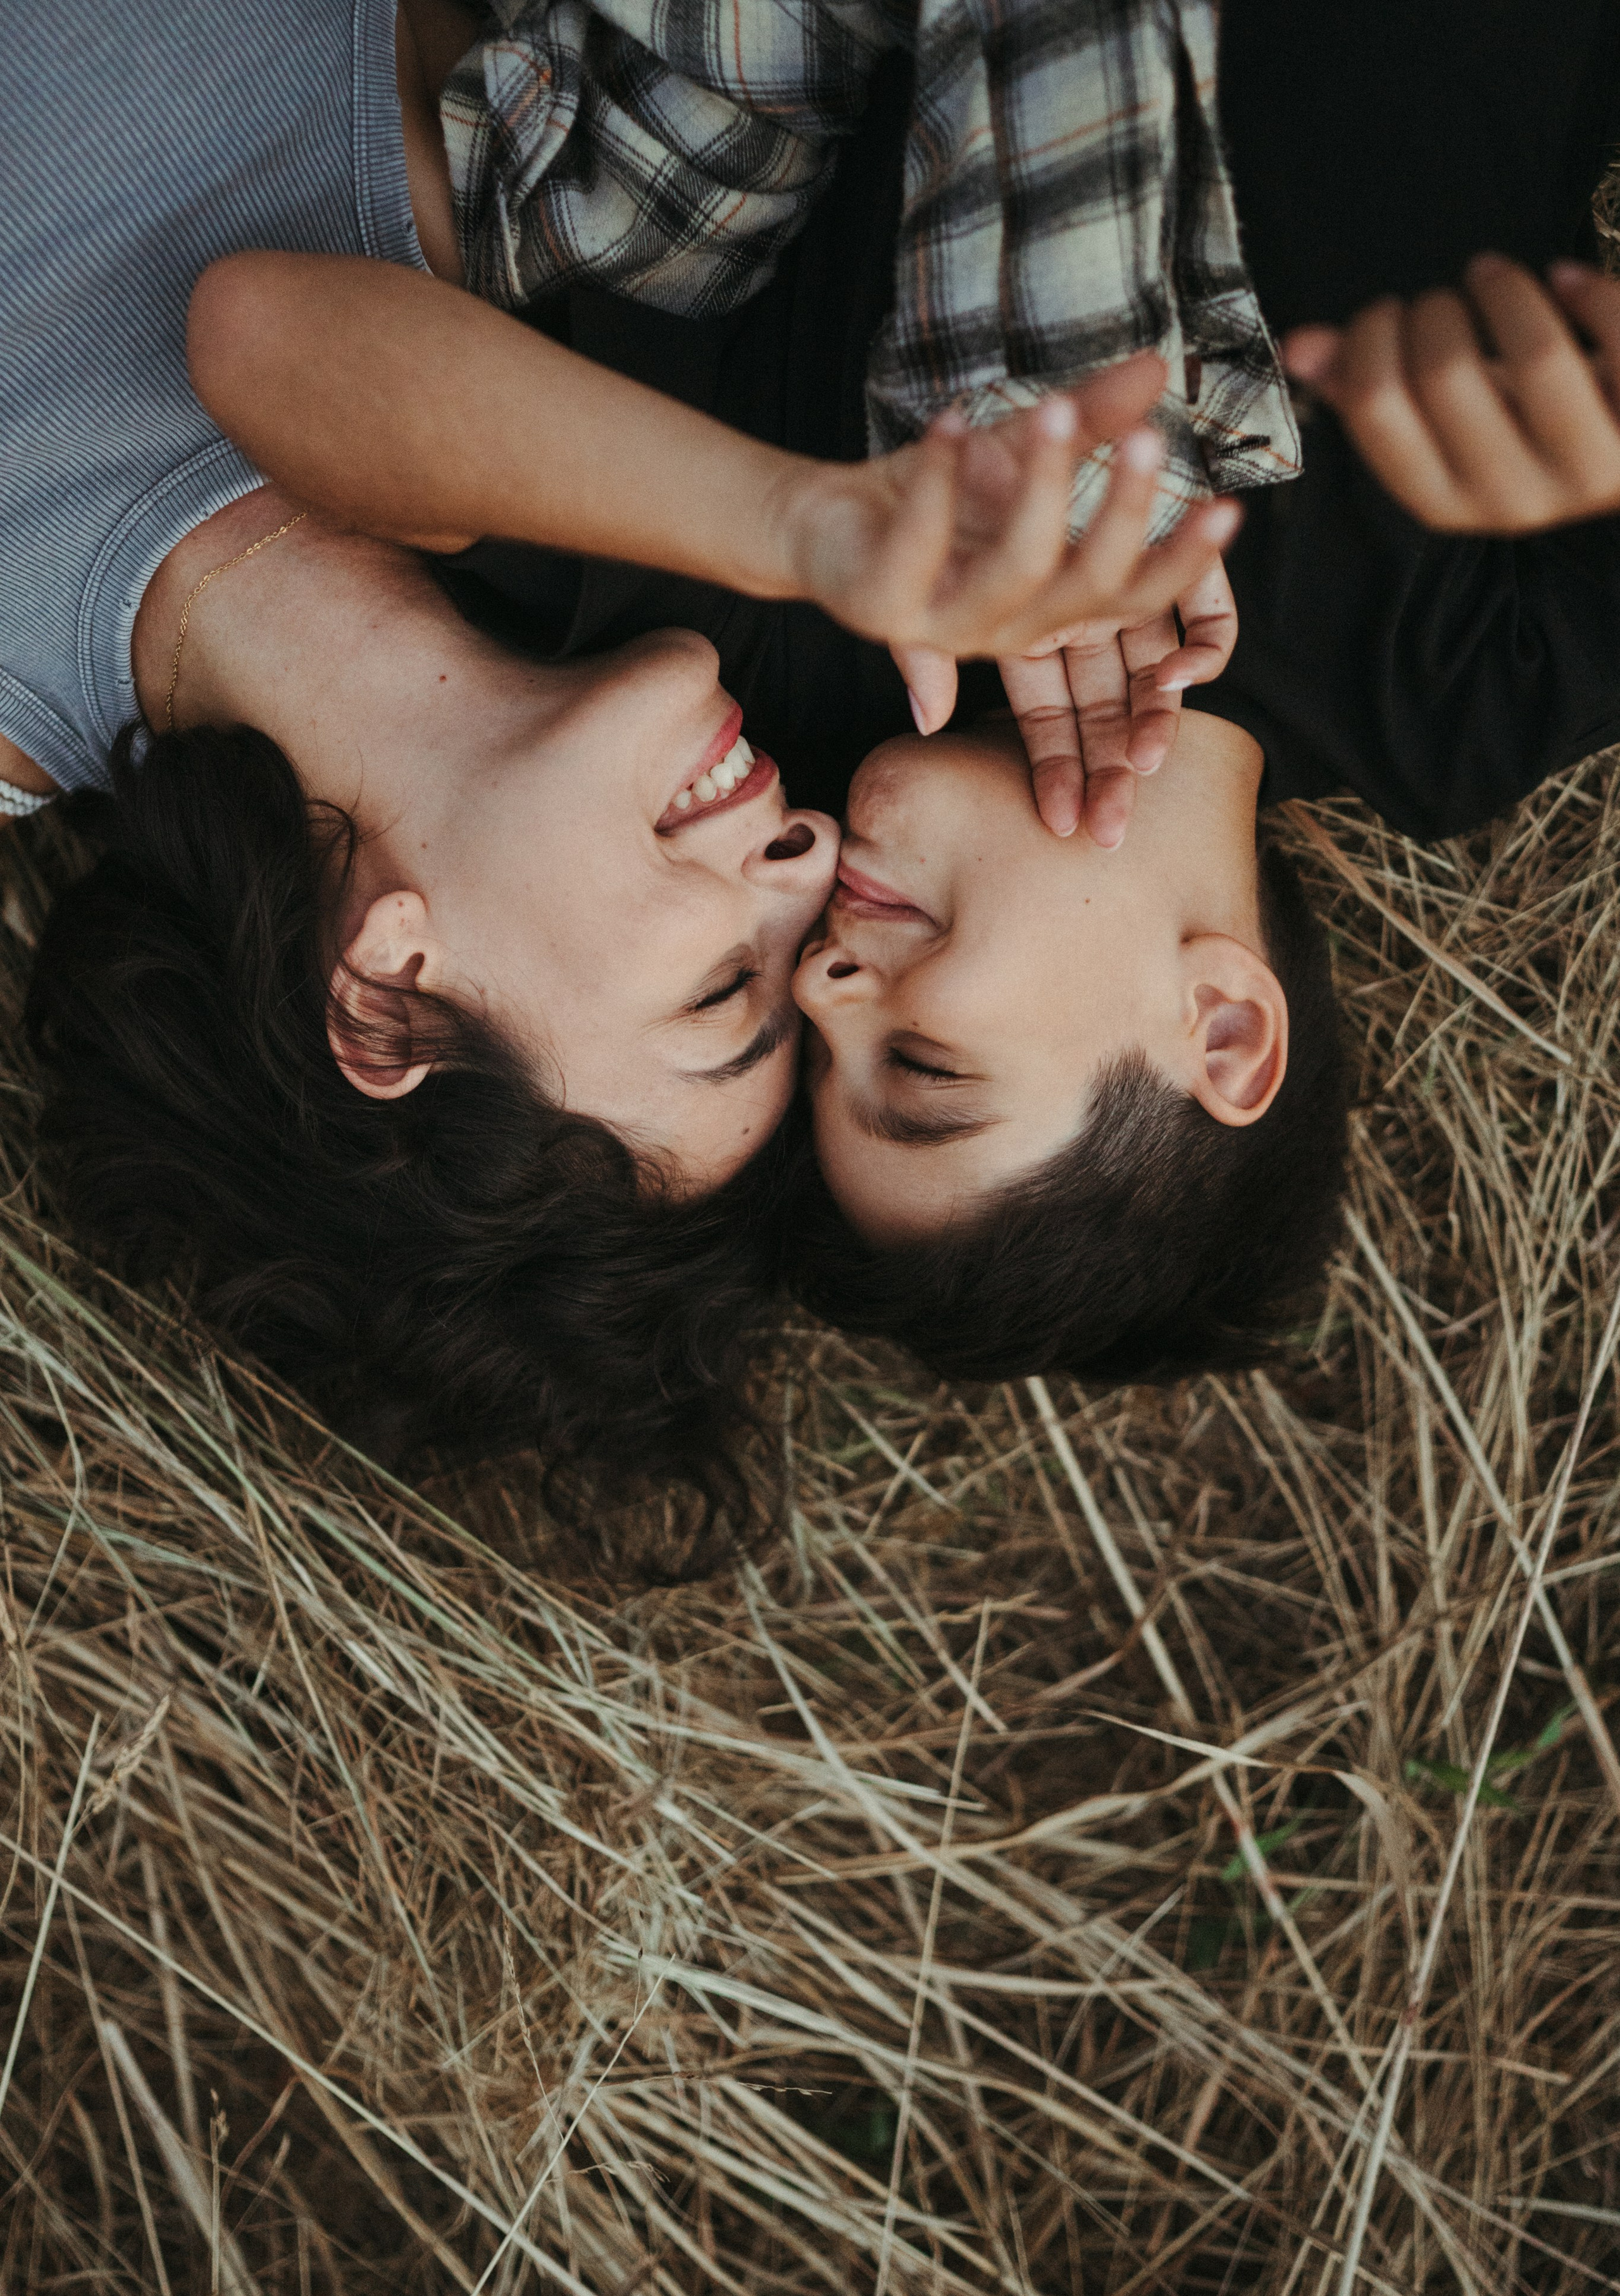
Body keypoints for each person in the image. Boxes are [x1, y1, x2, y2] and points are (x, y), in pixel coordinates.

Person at [3, 0, 1227, 1501]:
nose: (814, 863)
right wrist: (1018, 429)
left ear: (388, 1000)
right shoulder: (594, 218)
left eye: (726, 986)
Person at [781, 0, 1620, 1390]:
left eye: (806, 1047)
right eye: (920, 1071)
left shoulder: (834, 605)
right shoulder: (1459, 705)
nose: (819, 986)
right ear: (1219, 1027)